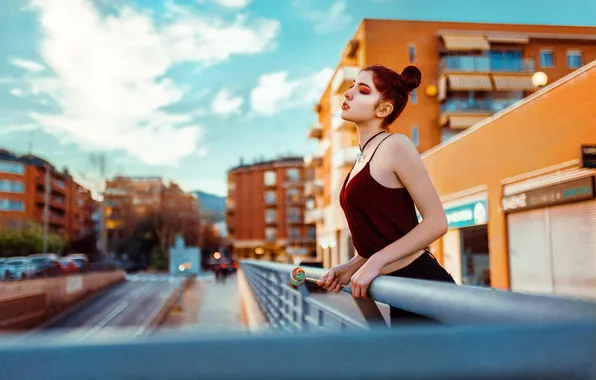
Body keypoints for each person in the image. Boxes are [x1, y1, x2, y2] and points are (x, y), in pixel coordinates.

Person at [316, 64, 455, 326]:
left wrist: (375, 263)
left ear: (383, 109)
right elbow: (386, 233)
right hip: (396, 291)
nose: (348, 94)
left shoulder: (396, 146)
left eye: (363, 90)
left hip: (423, 286)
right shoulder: (361, 158)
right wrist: (352, 266)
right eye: (351, 86)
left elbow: (437, 222)